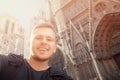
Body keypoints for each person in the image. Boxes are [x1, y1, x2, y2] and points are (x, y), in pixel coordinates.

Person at [0, 22, 73, 80]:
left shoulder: (62, 78)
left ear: (54, 48)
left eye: (49, 39)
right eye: (38, 37)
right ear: (28, 44)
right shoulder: (8, 64)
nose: (44, 42)